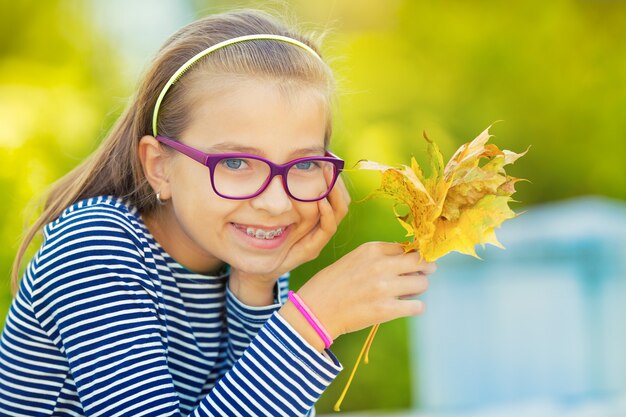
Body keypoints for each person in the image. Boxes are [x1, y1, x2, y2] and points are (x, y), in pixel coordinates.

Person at [0, 9, 436, 417]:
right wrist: (313, 320)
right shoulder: (93, 246)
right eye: (234, 163)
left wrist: (256, 285)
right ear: (159, 167)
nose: (275, 203)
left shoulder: (242, 256)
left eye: (303, 164)